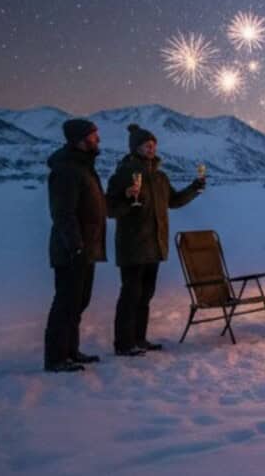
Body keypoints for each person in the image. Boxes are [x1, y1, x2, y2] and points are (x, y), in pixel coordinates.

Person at [105, 123, 206, 356]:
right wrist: (126, 197)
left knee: (145, 295)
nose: (151, 149)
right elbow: (110, 209)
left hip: (155, 244)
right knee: (130, 294)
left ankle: (139, 339)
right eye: (146, 145)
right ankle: (123, 343)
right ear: (135, 148)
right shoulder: (123, 174)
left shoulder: (160, 177)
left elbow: (174, 201)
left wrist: (195, 188)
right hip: (132, 244)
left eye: (153, 145)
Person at [44, 118, 107, 373]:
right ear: (80, 140)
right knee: (65, 303)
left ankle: (70, 350)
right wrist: (76, 246)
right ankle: (56, 358)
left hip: (86, 248)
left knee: (79, 302)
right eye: (94, 136)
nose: (98, 139)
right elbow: (63, 213)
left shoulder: (83, 167)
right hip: (72, 249)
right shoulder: (67, 170)